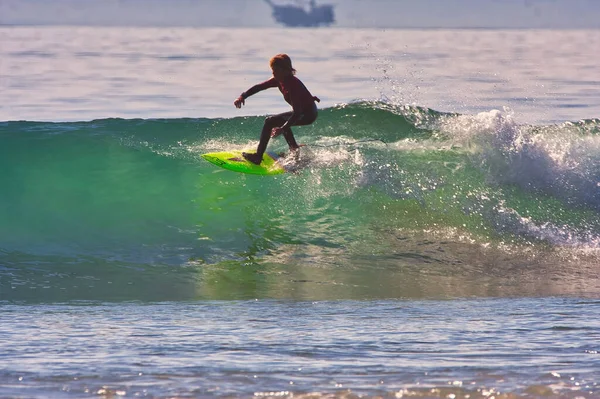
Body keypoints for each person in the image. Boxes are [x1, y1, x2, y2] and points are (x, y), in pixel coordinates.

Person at [233, 54, 320, 165]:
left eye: (275, 70)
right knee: (278, 120)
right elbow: (259, 87)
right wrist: (242, 96)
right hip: (302, 111)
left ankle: (258, 157)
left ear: (285, 70)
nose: (273, 73)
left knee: (271, 121)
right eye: (272, 70)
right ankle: (294, 149)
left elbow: (297, 113)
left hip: (308, 114)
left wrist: (282, 129)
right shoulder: (279, 80)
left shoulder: (293, 85)